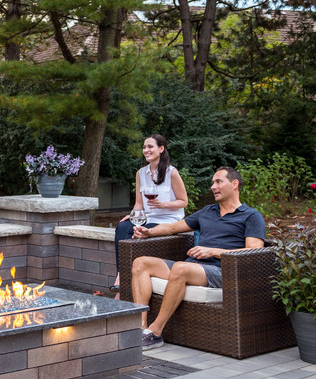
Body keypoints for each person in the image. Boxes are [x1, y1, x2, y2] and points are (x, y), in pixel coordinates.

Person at [131, 166, 265, 350]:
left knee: (180, 268)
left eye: (218, 181)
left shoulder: (251, 216)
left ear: (234, 184)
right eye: (212, 182)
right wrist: (148, 232)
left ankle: (155, 333)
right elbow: (172, 228)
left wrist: (213, 251)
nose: (213, 186)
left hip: (222, 271)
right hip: (193, 267)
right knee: (141, 263)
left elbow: (254, 250)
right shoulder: (208, 211)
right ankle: (141, 328)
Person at [111, 134, 188, 298]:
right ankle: (120, 275)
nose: (146, 150)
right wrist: (133, 216)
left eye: (150, 146)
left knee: (138, 234)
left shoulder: (171, 172)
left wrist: (164, 205)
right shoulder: (141, 173)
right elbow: (139, 204)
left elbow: (183, 201)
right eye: (144, 147)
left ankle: (124, 285)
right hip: (148, 220)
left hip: (168, 221)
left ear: (161, 149)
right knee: (122, 227)